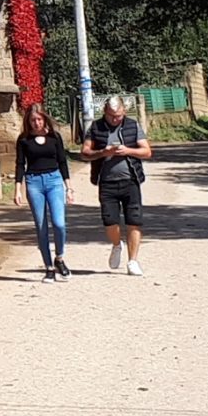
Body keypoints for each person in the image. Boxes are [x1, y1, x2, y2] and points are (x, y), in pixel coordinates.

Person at [84, 96, 153, 275]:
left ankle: (133, 261)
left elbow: (147, 151)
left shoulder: (132, 125)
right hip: (107, 183)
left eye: (119, 115)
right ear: (104, 112)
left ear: (124, 112)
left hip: (131, 181)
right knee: (110, 221)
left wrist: (128, 150)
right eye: (111, 116)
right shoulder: (96, 127)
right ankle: (116, 244)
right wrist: (102, 152)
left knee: (134, 221)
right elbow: (85, 152)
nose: (115, 119)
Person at [13, 105, 72, 279]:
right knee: (41, 227)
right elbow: (20, 164)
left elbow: (62, 162)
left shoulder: (54, 137)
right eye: (33, 120)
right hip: (34, 183)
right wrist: (18, 190)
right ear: (28, 121)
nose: (36, 123)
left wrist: (69, 188)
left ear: (45, 119)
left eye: (39, 119)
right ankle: (49, 267)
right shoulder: (24, 140)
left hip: (54, 181)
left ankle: (59, 258)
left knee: (59, 223)